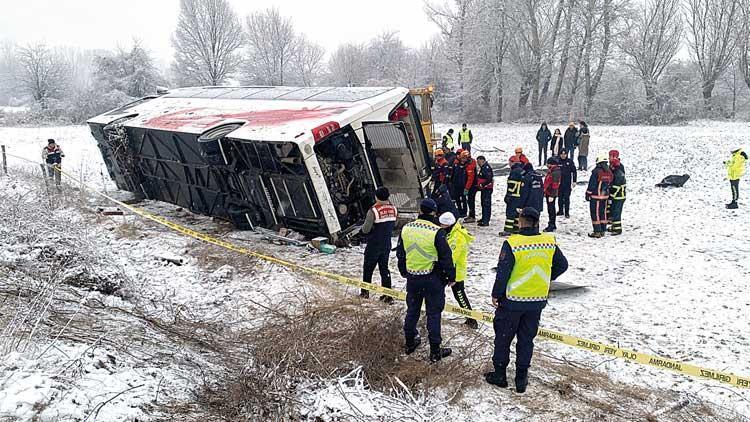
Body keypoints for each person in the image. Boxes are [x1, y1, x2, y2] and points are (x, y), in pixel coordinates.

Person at [485, 207, 568, 393]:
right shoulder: (549, 241)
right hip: (536, 301)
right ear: (537, 222)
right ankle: (521, 378)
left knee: (503, 338)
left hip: (512, 301)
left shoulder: (513, 243)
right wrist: (546, 278)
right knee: (526, 339)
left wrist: (497, 294)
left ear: (520, 221)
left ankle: (500, 374)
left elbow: (503, 272)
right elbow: (563, 264)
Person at [396, 199, 455, 362]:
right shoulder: (437, 232)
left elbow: (401, 252)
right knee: (434, 314)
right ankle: (435, 350)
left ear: (419, 211)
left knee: (412, 310)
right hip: (432, 279)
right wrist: (451, 276)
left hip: (413, 278)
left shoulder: (406, 228)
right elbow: (446, 257)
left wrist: (403, 270)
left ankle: (409, 343)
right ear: (434, 213)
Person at [439, 212, 478, 329]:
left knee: (460, 295)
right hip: (449, 270)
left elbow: (451, 258)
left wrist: (450, 276)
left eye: (442, 225)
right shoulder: (451, 233)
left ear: (448, 225)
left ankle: (471, 319)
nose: (440, 227)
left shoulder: (458, 237)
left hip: (455, 272)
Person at [360, 187, 398, 301]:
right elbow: (395, 224)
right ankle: (388, 295)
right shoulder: (394, 209)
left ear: (376, 197)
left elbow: (366, 229)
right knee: (384, 269)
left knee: (368, 269)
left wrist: (362, 232)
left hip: (374, 244)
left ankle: (365, 292)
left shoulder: (373, 210)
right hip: (386, 244)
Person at [586, 156, 613, 238]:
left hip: (596, 196)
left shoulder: (596, 172)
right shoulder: (609, 172)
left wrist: (588, 193)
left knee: (595, 213)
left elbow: (592, 184)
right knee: (603, 213)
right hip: (605, 197)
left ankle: (597, 231)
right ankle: (603, 230)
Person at [500, 163, 525, 236]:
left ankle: (508, 229)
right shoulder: (523, 172)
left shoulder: (514, 172)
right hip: (520, 196)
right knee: (517, 213)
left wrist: (508, 194)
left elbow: (512, 184)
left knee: (510, 213)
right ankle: (516, 228)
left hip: (513, 196)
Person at [608, 150, 626, 235]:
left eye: (610, 156)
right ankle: (614, 226)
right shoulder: (613, 168)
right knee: (613, 211)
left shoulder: (618, 171)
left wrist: (611, 195)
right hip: (616, 195)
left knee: (616, 212)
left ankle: (617, 229)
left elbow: (616, 185)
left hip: (619, 196)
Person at [543, 157, 561, 232]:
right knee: (550, 209)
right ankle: (552, 224)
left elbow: (555, 185)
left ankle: (551, 224)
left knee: (551, 209)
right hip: (549, 192)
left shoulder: (555, 172)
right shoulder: (553, 171)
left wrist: (552, 195)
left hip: (551, 193)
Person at [557, 150, 577, 218]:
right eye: (562, 154)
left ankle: (567, 212)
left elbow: (574, 171)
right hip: (559, 183)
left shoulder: (570, 161)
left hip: (567, 183)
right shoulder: (557, 161)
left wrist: (574, 181)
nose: (563, 155)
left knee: (566, 198)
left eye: (564, 154)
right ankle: (560, 211)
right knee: (560, 198)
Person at [475, 155, 494, 226]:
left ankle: (486, 221)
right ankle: (484, 218)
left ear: (482, 160)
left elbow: (489, 179)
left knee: (486, 204)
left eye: (478, 161)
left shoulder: (486, 168)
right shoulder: (483, 167)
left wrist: (482, 184)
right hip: (484, 189)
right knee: (483, 204)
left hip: (487, 189)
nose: (478, 163)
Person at [450, 149, 468, 217]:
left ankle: (464, 212)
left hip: (463, 186)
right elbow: (453, 174)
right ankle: (460, 210)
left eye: (465, 158)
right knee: (457, 199)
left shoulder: (467, 166)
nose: (464, 159)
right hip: (456, 185)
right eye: (463, 158)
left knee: (464, 199)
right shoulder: (456, 164)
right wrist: (451, 182)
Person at [463, 151, 478, 223]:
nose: (462, 160)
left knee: (471, 201)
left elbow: (470, 179)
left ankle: (472, 216)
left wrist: (466, 188)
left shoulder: (470, 166)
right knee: (469, 201)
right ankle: (471, 215)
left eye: (463, 158)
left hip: (472, 187)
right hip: (472, 186)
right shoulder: (472, 162)